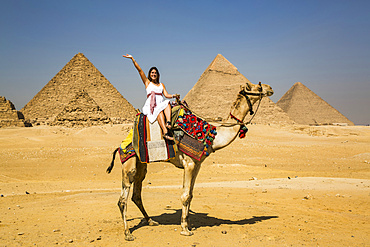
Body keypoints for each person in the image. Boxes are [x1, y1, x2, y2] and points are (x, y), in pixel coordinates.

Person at [123, 54, 179, 141]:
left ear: (158, 75)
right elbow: (140, 71)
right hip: (151, 106)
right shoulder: (147, 83)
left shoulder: (161, 85)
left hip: (160, 103)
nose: (154, 74)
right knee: (159, 111)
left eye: (155, 73)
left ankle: (168, 122)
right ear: (149, 74)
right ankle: (165, 132)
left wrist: (174, 96)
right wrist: (133, 59)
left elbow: (166, 95)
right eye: (152, 73)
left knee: (167, 102)